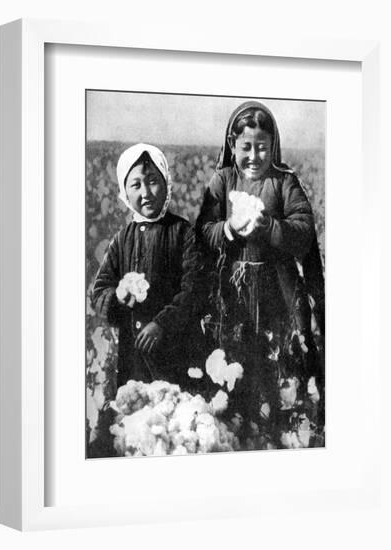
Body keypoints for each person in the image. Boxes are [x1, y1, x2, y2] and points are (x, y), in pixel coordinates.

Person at [196, 101, 325, 441]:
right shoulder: (221, 181)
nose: (254, 156)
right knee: (235, 364)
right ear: (231, 145)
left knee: (280, 363)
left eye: (262, 147)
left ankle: (283, 431)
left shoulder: (284, 183)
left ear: (273, 146)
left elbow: (304, 230)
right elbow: (202, 232)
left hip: (276, 293)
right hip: (232, 292)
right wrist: (228, 229)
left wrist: (269, 226)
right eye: (246, 147)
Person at [91, 143, 205, 389]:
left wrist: (162, 324)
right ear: (124, 192)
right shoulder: (122, 238)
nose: (146, 192)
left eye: (153, 181)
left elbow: (194, 289)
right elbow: (99, 290)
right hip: (133, 358)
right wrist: (118, 296)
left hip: (175, 353)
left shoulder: (182, 232)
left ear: (166, 183)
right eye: (135, 185)